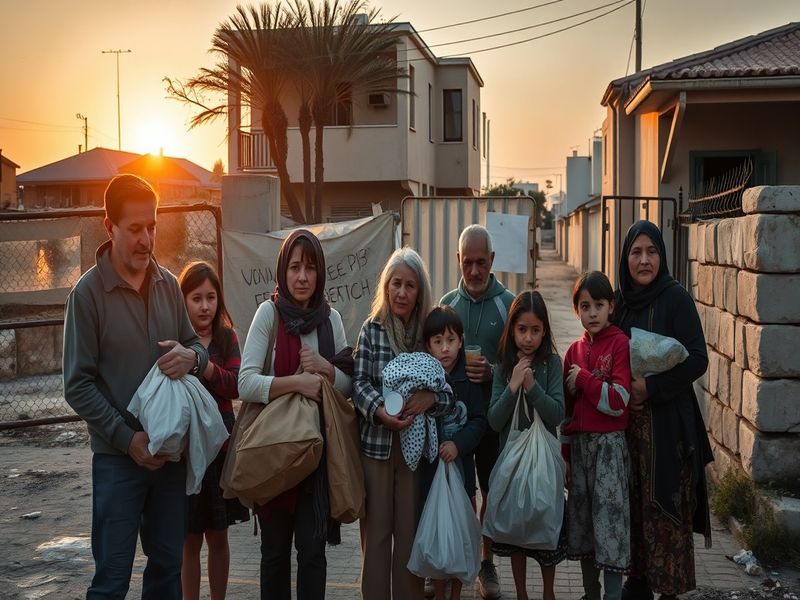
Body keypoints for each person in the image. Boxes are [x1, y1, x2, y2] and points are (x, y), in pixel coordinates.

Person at [63, 173, 209, 599]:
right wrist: (128, 440)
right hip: (118, 462)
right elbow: (77, 385)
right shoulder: (87, 295)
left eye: (152, 227)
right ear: (109, 227)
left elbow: (195, 346)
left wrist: (193, 358)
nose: (147, 240)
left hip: (169, 459)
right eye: (135, 229)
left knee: (167, 573)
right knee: (111, 582)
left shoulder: (168, 285)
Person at [237, 229, 353, 600]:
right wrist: (297, 383)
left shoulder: (331, 320)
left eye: (310, 268)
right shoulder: (269, 314)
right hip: (274, 452)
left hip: (317, 459)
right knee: (274, 554)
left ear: (320, 274)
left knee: (313, 554)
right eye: (294, 267)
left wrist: (326, 368)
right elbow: (245, 383)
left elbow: (347, 386)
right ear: (282, 271)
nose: (302, 277)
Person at [612, 221, 713, 600]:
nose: (644, 260)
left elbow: (698, 359)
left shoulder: (676, 299)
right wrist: (623, 390)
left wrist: (650, 388)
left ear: (662, 256)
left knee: (666, 509)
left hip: (669, 432)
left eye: (651, 252)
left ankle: (668, 589)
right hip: (629, 432)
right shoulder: (620, 303)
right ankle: (637, 583)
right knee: (634, 507)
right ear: (625, 258)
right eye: (636, 252)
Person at [353, 247, 454, 600]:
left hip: (415, 454)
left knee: (409, 535)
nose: (401, 292)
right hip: (377, 448)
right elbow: (359, 384)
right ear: (386, 287)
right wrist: (381, 411)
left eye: (410, 285)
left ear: (419, 291)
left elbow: (448, 393)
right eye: (396, 283)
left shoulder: (428, 334)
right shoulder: (372, 329)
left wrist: (430, 399)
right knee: (377, 534)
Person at [440, 224, 515, 600]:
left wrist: (493, 373)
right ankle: (447, 561)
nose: (473, 270)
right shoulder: (446, 305)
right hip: (452, 424)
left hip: (492, 421)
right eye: (467, 262)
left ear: (493, 260)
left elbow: (523, 361)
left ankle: (486, 563)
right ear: (458, 259)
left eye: (481, 262)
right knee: (452, 492)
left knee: (490, 492)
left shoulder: (508, 305)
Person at [487, 290, 565, 600]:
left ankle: (548, 593)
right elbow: (494, 420)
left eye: (535, 330)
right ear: (512, 330)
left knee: (546, 528)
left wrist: (532, 387)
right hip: (512, 464)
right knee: (516, 533)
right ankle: (521, 593)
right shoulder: (503, 366)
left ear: (545, 331)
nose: (528, 338)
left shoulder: (552, 364)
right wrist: (513, 385)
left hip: (544, 464)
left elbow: (557, 414)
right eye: (522, 329)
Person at [178, 261, 250, 600]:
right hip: (186, 454)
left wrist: (202, 365)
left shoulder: (226, 338)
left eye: (211, 297)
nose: (205, 306)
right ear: (183, 300)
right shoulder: (178, 340)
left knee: (218, 536)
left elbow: (235, 385)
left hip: (220, 451)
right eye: (196, 298)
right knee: (189, 539)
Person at [562, 271, 632, 600]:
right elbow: (566, 413)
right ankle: (590, 593)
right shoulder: (573, 352)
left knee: (610, 525)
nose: (592, 313)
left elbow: (618, 401)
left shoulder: (619, 344)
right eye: (585, 306)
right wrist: (565, 457)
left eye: (599, 305)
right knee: (583, 525)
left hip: (608, 450)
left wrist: (586, 381)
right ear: (576, 309)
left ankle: (612, 596)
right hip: (579, 451)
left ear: (611, 307)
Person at [422, 305, 488, 600]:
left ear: (461, 341)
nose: (445, 348)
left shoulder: (468, 380)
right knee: (438, 536)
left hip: (462, 475)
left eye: (451, 340)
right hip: (432, 475)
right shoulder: (425, 380)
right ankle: (439, 591)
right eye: (438, 341)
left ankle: (457, 593)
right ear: (428, 345)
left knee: (462, 535)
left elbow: (478, 421)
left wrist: (458, 444)